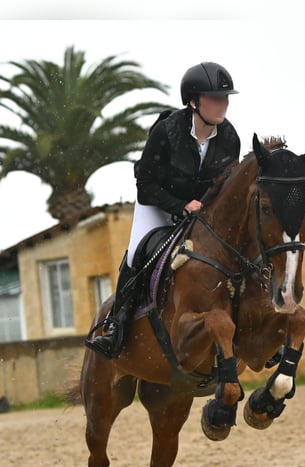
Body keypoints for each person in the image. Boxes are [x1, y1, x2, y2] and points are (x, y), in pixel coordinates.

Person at [85, 61, 241, 359]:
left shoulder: (230, 137)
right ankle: (116, 327)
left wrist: (204, 208)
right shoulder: (167, 132)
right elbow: (145, 184)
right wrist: (179, 206)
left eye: (225, 98)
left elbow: (223, 184)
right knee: (135, 254)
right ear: (194, 101)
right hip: (157, 204)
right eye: (215, 98)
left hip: (200, 211)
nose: (223, 104)